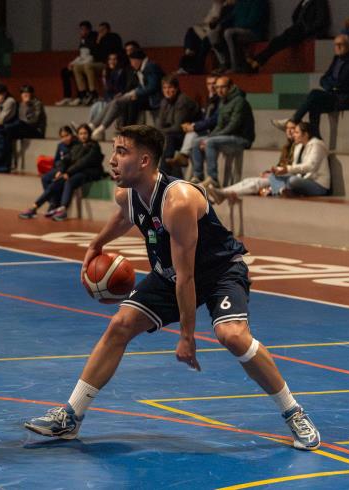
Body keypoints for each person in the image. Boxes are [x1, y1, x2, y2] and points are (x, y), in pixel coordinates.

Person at [23, 124, 321, 452]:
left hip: (218, 272)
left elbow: (187, 277)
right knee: (120, 325)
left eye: (122, 152)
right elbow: (125, 216)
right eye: (114, 150)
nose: (113, 159)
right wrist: (96, 244)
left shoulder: (177, 201)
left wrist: (187, 338)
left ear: (145, 160)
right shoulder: (127, 193)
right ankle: (71, 416)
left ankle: (294, 412)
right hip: (172, 275)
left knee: (232, 336)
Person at [271, 35, 349, 139]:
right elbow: (323, 79)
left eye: (340, 45)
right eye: (335, 45)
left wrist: (332, 84)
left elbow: (343, 80)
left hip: (344, 98)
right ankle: (316, 138)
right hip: (332, 94)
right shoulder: (337, 58)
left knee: (314, 93)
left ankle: (293, 121)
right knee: (314, 106)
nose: (337, 47)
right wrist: (331, 86)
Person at [19, 124, 104, 222]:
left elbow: (83, 163)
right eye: (81, 134)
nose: (83, 136)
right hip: (77, 171)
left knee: (69, 181)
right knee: (57, 181)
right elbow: (66, 159)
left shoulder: (94, 146)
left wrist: (68, 172)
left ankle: (62, 210)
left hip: (90, 172)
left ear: (89, 134)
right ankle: (34, 207)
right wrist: (61, 170)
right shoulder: (77, 146)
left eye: (85, 133)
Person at [208, 120, 298, 203]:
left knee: (256, 183)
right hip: (279, 176)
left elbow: (293, 168)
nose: (289, 131)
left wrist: (275, 173)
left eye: (293, 128)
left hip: (287, 180)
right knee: (248, 180)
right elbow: (280, 165)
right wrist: (271, 171)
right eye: (287, 128)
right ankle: (221, 192)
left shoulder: (298, 146)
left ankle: (222, 193)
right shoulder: (286, 147)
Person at [190, 76, 255, 187]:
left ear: (230, 87)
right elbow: (220, 126)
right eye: (217, 87)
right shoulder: (223, 102)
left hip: (241, 138)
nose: (219, 90)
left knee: (210, 143)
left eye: (223, 87)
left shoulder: (240, 102)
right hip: (227, 137)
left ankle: (213, 179)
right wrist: (209, 136)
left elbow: (233, 126)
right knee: (196, 142)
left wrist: (209, 139)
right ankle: (198, 176)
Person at [91, 50, 164, 140]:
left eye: (132, 61)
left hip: (153, 99)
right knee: (117, 101)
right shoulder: (142, 68)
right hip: (144, 97)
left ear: (137, 60)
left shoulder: (150, 66)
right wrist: (131, 93)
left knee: (122, 102)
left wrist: (135, 93)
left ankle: (103, 128)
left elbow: (152, 86)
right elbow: (141, 85)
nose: (131, 64)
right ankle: (95, 126)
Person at [247, 0, 331, 72]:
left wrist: (306, 29)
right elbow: (295, 16)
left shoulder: (319, 1)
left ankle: (258, 60)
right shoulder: (304, 1)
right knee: (279, 40)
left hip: (308, 31)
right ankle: (258, 60)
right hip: (298, 29)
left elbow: (321, 20)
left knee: (282, 39)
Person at [18, 126, 80, 219]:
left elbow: (72, 161)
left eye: (67, 135)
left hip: (69, 170)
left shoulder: (76, 145)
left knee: (56, 183)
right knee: (45, 178)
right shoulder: (60, 146)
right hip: (60, 169)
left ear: (71, 134)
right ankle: (53, 202)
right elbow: (56, 161)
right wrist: (58, 169)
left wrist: (62, 171)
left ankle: (47, 205)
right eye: (62, 136)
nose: (65, 138)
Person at [166, 76, 221, 169]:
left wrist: (194, 126)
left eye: (214, 84)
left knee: (193, 137)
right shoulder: (210, 98)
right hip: (205, 129)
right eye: (209, 84)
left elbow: (213, 120)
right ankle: (181, 167)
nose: (211, 87)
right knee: (175, 137)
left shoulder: (220, 100)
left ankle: (183, 156)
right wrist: (191, 125)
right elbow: (205, 118)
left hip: (215, 131)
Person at [266, 121, 330, 197]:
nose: (293, 135)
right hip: (305, 180)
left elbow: (310, 166)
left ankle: (282, 191)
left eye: (296, 132)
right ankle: (282, 191)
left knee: (293, 180)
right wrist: (279, 170)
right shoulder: (301, 146)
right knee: (272, 176)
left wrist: (287, 169)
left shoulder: (316, 145)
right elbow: (295, 169)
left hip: (318, 185)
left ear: (305, 134)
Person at [157, 76, 200, 178]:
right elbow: (159, 124)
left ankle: (162, 175)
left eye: (170, 87)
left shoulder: (182, 101)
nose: (167, 91)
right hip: (175, 134)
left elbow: (178, 127)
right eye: (164, 88)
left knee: (169, 138)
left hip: (191, 134)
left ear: (176, 89)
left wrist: (160, 131)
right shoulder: (164, 102)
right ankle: (163, 175)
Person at [215, 0, 269, 73]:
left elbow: (253, 20)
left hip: (253, 31)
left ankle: (235, 66)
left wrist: (237, 26)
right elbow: (233, 15)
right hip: (239, 29)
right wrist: (220, 24)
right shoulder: (241, 2)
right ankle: (224, 63)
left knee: (229, 33)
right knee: (215, 33)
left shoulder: (258, 2)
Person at [79, 22, 124, 106]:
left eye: (103, 30)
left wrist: (102, 41)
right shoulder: (98, 39)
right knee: (78, 67)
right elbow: (95, 54)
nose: (101, 32)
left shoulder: (114, 37)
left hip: (110, 62)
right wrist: (98, 41)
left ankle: (93, 92)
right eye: (99, 31)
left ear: (108, 30)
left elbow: (113, 51)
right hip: (100, 62)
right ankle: (83, 93)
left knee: (88, 66)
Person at [56, 21, 98, 106]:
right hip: (81, 63)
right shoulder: (83, 40)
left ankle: (82, 96)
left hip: (89, 63)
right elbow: (81, 56)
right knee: (65, 72)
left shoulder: (93, 39)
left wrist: (77, 64)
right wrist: (72, 63)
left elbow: (90, 57)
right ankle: (67, 97)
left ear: (88, 30)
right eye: (81, 30)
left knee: (79, 69)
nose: (81, 31)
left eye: (83, 29)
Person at [177, 0, 224, 74]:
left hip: (217, 32)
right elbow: (206, 22)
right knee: (191, 32)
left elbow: (216, 21)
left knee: (204, 41)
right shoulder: (215, 6)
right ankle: (188, 55)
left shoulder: (225, 6)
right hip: (207, 30)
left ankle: (195, 64)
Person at [88, 52, 129, 126]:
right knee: (96, 106)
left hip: (119, 98)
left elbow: (123, 88)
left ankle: (91, 127)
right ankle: (90, 127)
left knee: (112, 105)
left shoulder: (121, 72)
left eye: (114, 59)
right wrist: (104, 79)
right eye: (110, 59)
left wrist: (118, 95)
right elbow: (107, 91)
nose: (112, 61)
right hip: (109, 99)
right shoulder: (108, 72)